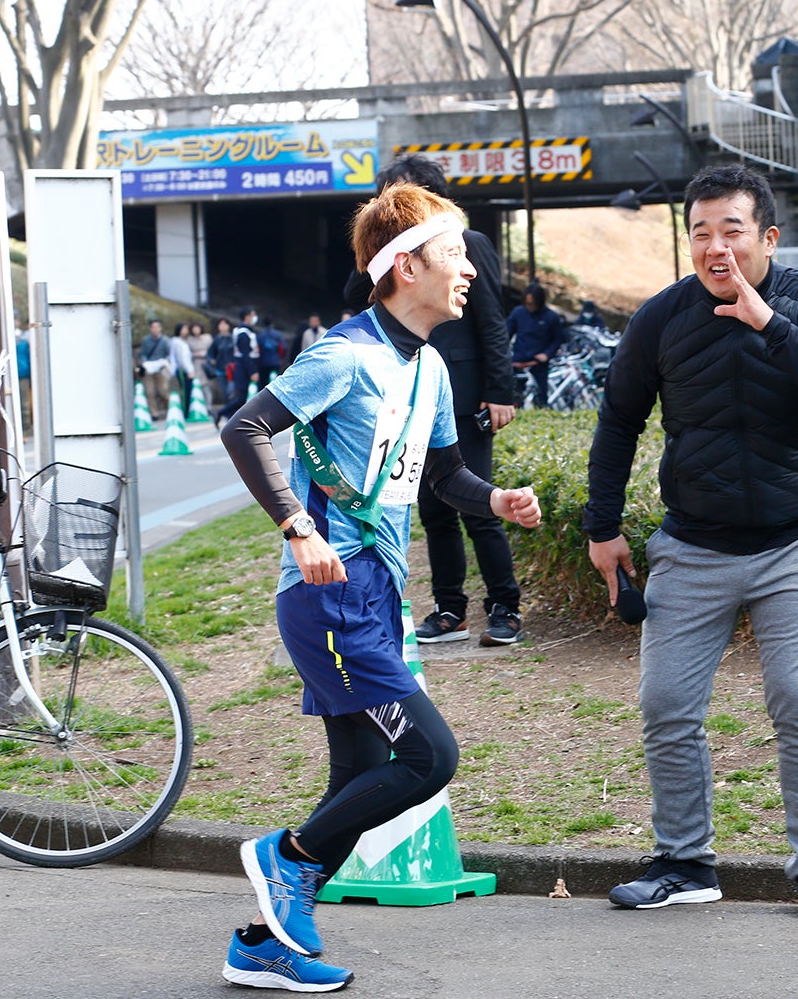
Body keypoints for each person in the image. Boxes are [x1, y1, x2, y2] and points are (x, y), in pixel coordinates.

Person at [216, 181, 542, 990]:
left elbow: (444, 475)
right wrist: (299, 525)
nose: (469, 269)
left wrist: (494, 499)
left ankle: (262, 943)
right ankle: (281, 857)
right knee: (429, 755)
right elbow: (246, 426)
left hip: (375, 597)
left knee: (355, 780)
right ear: (403, 266)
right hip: (332, 593)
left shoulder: (428, 366)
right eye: (455, 254)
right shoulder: (345, 354)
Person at [583, 164, 798, 918]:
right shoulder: (662, 317)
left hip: (797, 544)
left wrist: (767, 322)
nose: (715, 247)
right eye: (701, 232)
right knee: (666, 703)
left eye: (731, 231)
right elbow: (618, 421)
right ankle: (684, 862)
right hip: (692, 547)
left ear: (767, 237)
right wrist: (602, 526)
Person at [354, 154, 523, 648]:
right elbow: (356, 294)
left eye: (394, 195)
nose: (384, 205)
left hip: (467, 392)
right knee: (432, 509)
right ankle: (451, 610)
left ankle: (505, 607)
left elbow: (492, 318)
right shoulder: (393, 261)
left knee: (479, 506)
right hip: (408, 394)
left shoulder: (469, 246)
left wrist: (500, 391)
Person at [505, 283, 563, 407]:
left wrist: (547, 354)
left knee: (541, 398)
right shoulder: (518, 313)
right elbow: (506, 334)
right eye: (527, 304)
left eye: (532, 304)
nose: (529, 307)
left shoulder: (551, 317)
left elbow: (558, 339)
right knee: (516, 397)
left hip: (539, 363)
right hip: (519, 360)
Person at [217, 308, 260, 426]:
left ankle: (227, 416)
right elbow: (245, 355)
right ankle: (222, 413)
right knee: (241, 398)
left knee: (242, 398)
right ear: (247, 317)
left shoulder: (243, 331)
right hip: (243, 368)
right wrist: (252, 371)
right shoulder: (243, 334)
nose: (254, 317)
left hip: (243, 367)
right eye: (253, 315)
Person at [137, 318, 173, 419]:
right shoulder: (146, 340)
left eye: (157, 327)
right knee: (149, 392)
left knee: (164, 392)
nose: (155, 329)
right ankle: (154, 413)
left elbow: (169, 355)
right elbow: (142, 354)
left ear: (160, 328)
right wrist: (145, 362)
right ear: (150, 328)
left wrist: (163, 362)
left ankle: (169, 410)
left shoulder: (165, 340)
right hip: (148, 369)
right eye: (153, 327)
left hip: (161, 369)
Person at [206, 317, 235, 419]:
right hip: (221, 370)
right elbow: (210, 354)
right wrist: (211, 360)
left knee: (232, 392)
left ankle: (230, 413)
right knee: (225, 393)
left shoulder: (233, 338)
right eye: (220, 324)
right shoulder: (217, 340)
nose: (222, 327)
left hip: (232, 371)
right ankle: (227, 414)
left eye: (224, 324)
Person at [170, 322, 196, 412]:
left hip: (185, 370)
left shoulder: (182, 341)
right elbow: (182, 359)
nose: (186, 330)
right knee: (185, 392)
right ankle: (185, 411)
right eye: (184, 328)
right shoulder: (177, 342)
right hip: (182, 371)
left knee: (188, 391)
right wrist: (189, 370)